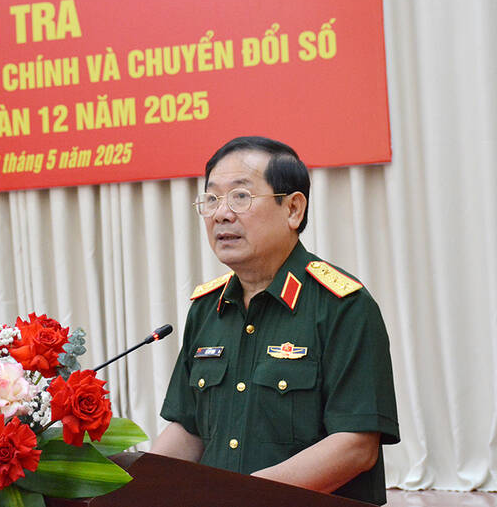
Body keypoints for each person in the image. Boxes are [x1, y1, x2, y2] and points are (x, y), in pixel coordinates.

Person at [150, 136, 399, 505]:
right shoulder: (207, 308)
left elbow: (356, 446)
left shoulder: (343, 306)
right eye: (212, 198)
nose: (221, 214)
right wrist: (135, 488)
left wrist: (241, 497)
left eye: (240, 196)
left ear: (293, 209)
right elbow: (189, 430)